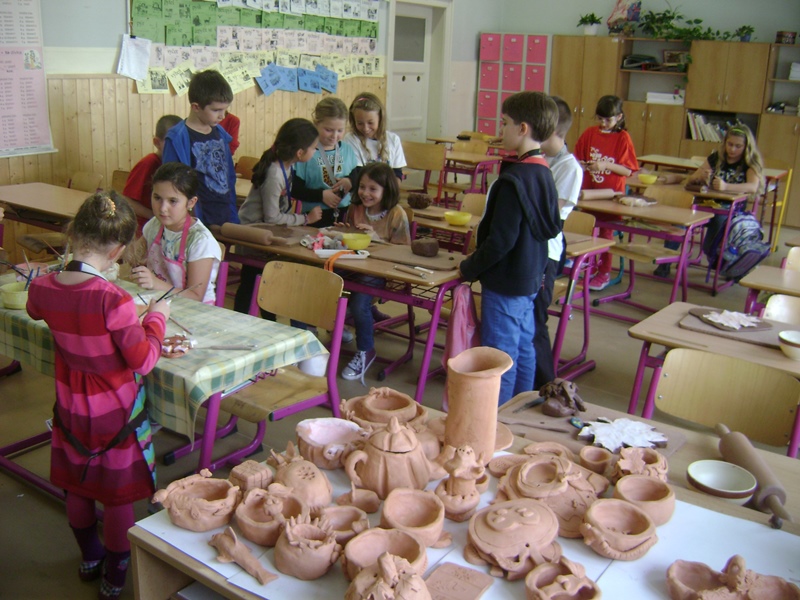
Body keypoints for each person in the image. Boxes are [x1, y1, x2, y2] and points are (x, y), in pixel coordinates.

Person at [26, 192, 169, 600]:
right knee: (116, 495)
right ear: (119, 251)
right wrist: (156, 319)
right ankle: (116, 573)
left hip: (71, 408)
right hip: (115, 414)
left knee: (78, 485)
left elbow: (37, 309)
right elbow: (143, 360)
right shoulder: (113, 299)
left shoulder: (43, 288)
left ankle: (90, 557)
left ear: (73, 234)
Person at [458, 91, 561, 405]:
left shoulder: (513, 180)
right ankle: (520, 411)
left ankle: (497, 419)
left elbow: (500, 241)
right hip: (531, 279)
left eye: (505, 123)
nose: (500, 129)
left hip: (505, 284)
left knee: (499, 358)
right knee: (523, 348)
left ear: (523, 128)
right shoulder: (544, 172)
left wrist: (468, 268)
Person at [233, 118, 323, 314]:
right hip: (254, 235)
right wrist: (306, 218)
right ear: (300, 152)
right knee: (253, 282)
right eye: (314, 148)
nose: (315, 151)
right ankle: (244, 319)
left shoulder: (286, 167)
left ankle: (267, 319)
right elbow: (272, 218)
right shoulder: (274, 173)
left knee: (267, 283)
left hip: (265, 232)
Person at [341, 162, 410, 384]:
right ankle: (330, 329)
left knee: (359, 304)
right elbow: (349, 238)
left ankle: (366, 349)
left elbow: (404, 252)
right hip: (354, 265)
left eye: (373, 189)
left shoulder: (396, 214)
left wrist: (376, 239)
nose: (365, 193)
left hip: (382, 271)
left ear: (386, 190)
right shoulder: (355, 208)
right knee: (321, 281)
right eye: (362, 187)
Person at [534, 96, 583, 389]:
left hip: (546, 252)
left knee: (536, 318)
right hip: (529, 248)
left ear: (551, 129)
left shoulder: (569, 167)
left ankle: (547, 384)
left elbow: (550, 213)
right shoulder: (539, 159)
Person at [131, 162, 221, 304]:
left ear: (191, 203)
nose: (163, 208)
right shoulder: (155, 225)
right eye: (157, 198)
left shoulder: (200, 240)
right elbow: (135, 256)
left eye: (172, 201)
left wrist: (155, 283)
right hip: (160, 301)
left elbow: (195, 296)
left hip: (194, 309)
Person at [574, 95, 638, 291]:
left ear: (619, 117)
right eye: (600, 119)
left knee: (605, 233)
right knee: (586, 228)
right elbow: (577, 158)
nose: (603, 123)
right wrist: (584, 164)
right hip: (590, 193)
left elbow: (628, 170)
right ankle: (587, 267)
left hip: (611, 195)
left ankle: (604, 271)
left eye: (608, 120)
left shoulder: (623, 138)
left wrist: (605, 165)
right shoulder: (590, 133)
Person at [162, 70, 239, 228]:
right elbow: (172, 186)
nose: (222, 116)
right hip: (196, 219)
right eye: (216, 110)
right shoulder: (177, 138)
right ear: (196, 107)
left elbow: (229, 178)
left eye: (224, 110)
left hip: (225, 214)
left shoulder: (221, 134)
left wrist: (233, 216)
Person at [687, 123, 764, 269]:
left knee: (715, 229)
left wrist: (726, 187)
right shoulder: (716, 158)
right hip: (706, 204)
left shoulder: (749, 162)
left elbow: (752, 187)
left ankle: (719, 259)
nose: (732, 149)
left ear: (746, 147)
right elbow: (692, 178)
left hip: (731, 210)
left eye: (738, 146)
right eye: (730, 144)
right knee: (682, 218)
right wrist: (700, 177)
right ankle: (667, 261)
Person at [292, 97, 359, 228]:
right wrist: (321, 195)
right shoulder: (306, 151)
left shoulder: (347, 150)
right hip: (315, 215)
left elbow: (358, 178)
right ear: (316, 124)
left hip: (344, 214)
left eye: (340, 130)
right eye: (328, 130)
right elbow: (295, 189)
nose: (334, 135)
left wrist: (350, 181)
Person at [124, 114, 182, 234]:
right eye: (172, 143)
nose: (177, 148)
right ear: (157, 142)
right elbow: (127, 201)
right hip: (142, 229)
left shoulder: (178, 165)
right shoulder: (149, 163)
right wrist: (154, 217)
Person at [344, 92, 406, 179]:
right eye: (360, 123)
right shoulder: (350, 139)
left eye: (370, 123)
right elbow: (357, 175)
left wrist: (392, 187)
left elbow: (397, 174)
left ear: (380, 118)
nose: (365, 128)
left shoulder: (393, 139)